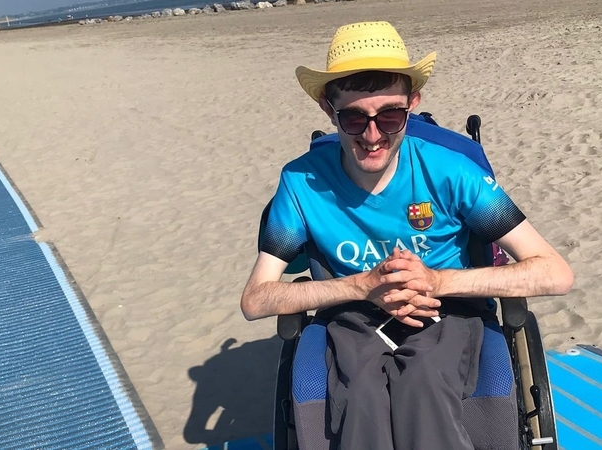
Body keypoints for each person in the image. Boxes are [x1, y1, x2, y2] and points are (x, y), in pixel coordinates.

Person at [240, 21, 573, 450]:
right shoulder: (301, 183)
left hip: (448, 309)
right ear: (329, 109)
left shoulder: (452, 172)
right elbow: (256, 298)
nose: (373, 135)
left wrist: (436, 280)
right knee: (359, 395)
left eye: (391, 116)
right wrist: (361, 285)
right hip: (353, 315)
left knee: (426, 380)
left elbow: (555, 273)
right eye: (354, 118)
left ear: (412, 104)